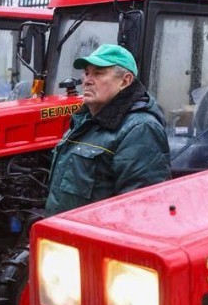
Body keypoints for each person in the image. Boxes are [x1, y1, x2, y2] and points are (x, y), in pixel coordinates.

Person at [44, 43, 172, 215]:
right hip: (65, 235)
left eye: (99, 73)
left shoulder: (140, 130)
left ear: (125, 81)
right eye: (87, 73)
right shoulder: (85, 120)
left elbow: (139, 210)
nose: (87, 80)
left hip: (93, 238)